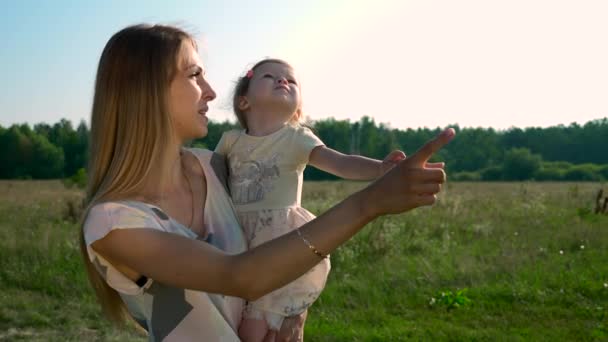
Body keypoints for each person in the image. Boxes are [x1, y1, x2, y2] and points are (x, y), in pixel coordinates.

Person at [80, 23, 455, 342]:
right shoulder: (113, 223)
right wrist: (369, 202)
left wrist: (290, 309)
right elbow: (241, 276)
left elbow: (270, 247)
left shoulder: (213, 168)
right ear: (145, 89)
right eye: (195, 75)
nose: (211, 91)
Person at [215, 58, 407, 342]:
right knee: (230, 320)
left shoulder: (296, 138)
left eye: (291, 81)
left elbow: (341, 163)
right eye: (270, 76)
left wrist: (380, 169)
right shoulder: (230, 141)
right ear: (244, 101)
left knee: (255, 330)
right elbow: (212, 182)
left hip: (280, 242)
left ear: (298, 108)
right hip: (235, 239)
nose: (283, 81)